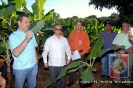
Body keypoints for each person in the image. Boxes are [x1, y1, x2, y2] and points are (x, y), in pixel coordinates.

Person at [9, 14, 38, 88]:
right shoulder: (13, 36)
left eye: (29, 22)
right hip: (20, 69)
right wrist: (26, 39)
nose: (28, 24)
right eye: (26, 22)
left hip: (33, 66)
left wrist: (36, 59)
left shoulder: (31, 34)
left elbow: (33, 47)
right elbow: (15, 53)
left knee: (32, 86)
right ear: (19, 23)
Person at [67, 20, 90, 88]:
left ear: (81, 26)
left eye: (79, 25)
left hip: (81, 54)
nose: (78, 26)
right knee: (71, 68)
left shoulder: (84, 34)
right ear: (75, 25)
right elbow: (68, 43)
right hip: (73, 53)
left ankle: (81, 83)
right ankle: (71, 81)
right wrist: (70, 50)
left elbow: (87, 45)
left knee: (81, 69)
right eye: (77, 24)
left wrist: (82, 53)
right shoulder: (72, 33)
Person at [112, 22, 133, 88]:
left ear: (129, 27)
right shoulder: (119, 35)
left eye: (125, 26)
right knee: (118, 66)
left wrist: (125, 51)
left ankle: (127, 82)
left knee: (128, 68)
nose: (123, 27)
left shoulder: (131, 35)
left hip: (129, 53)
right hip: (120, 53)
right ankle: (116, 80)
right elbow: (115, 44)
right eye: (122, 26)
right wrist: (119, 50)